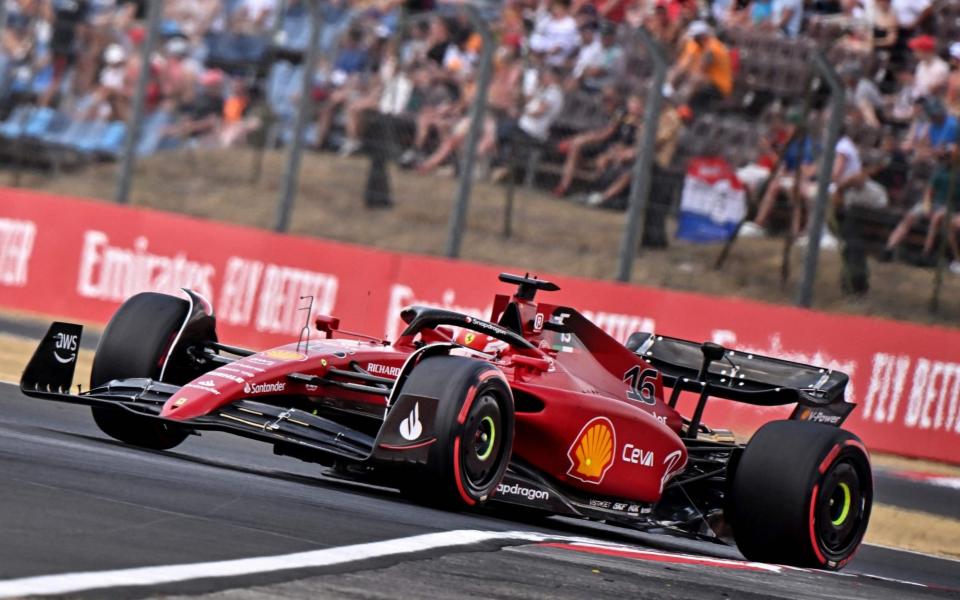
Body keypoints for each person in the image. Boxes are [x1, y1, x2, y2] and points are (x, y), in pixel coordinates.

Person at [882, 157, 960, 262]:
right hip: (932, 203)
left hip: (951, 208)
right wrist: (927, 206)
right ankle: (889, 248)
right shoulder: (940, 172)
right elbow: (929, 192)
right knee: (909, 217)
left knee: (936, 218)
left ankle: (925, 254)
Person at [667, 21, 733, 113]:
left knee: (697, 78)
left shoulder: (714, 48)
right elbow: (683, 63)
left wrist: (687, 71)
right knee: (677, 70)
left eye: (696, 37)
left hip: (719, 86)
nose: (694, 40)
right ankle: (666, 91)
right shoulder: (695, 44)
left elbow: (702, 67)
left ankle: (681, 100)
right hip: (704, 81)